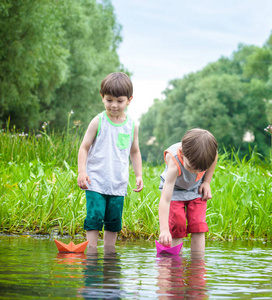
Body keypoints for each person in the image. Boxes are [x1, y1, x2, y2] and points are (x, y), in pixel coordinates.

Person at [77, 72, 143, 248]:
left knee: (113, 220)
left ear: (129, 99)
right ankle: (91, 251)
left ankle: (109, 254)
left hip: (118, 183)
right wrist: (82, 172)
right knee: (94, 216)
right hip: (95, 180)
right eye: (109, 100)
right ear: (102, 98)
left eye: (119, 101)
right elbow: (84, 147)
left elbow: (134, 151)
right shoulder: (98, 121)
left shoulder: (131, 125)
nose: (114, 105)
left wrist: (139, 175)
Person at [158, 128, 218, 252]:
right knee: (177, 226)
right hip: (175, 191)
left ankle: (197, 265)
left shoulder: (210, 154)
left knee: (198, 226)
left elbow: (214, 157)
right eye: (192, 167)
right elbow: (165, 199)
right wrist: (164, 229)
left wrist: (206, 182)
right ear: (182, 153)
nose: (196, 171)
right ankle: (175, 262)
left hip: (196, 190)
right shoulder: (174, 162)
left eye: (200, 169)